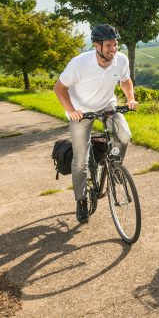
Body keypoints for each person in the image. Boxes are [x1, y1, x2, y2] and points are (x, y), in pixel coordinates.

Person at [54, 24, 138, 224]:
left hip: (107, 105)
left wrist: (130, 98)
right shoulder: (79, 63)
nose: (114, 49)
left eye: (115, 44)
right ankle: (81, 200)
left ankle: (115, 167)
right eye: (109, 45)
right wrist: (72, 111)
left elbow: (125, 81)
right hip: (81, 111)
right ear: (96, 46)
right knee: (80, 159)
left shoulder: (120, 60)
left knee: (124, 135)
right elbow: (59, 88)